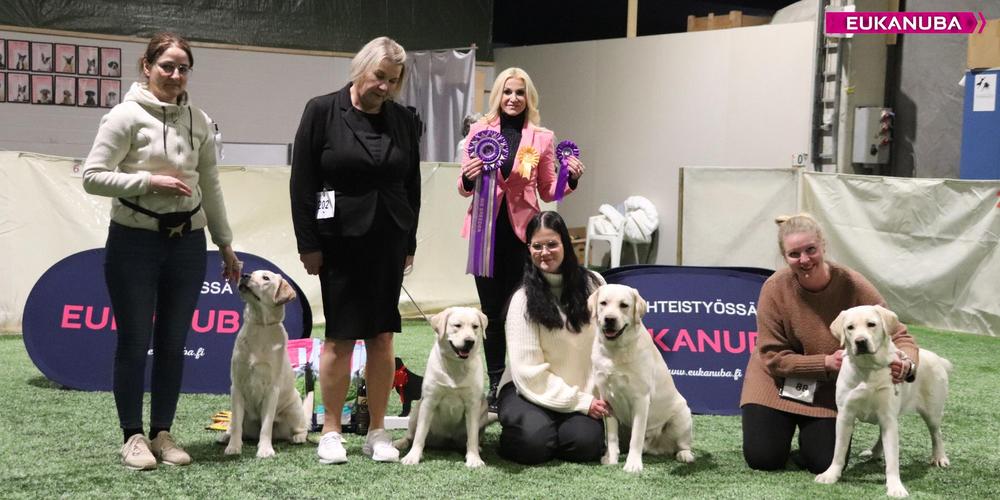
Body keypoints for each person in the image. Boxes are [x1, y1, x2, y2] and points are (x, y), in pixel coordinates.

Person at [82, 32, 241, 470]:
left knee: (173, 343)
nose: (174, 75)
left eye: (182, 68)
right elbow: (92, 176)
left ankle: (162, 433)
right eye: (166, 66)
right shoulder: (124, 116)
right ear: (147, 67)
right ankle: (132, 436)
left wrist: (225, 244)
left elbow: (210, 184)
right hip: (134, 241)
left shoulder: (198, 119)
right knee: (134, 341)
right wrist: (148, 181)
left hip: (188, 243)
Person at [290, 36, 420, 464]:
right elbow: (302, 183)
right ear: (360, 69)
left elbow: (411, 185)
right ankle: (330, 431)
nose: (385, 87)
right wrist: (308, 243)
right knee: (340, 336)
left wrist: (409, 241)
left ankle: (377, 431)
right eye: (379, 76)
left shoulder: (403, 120)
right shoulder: (321, 110)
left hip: (389, 237)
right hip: (339, 241)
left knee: (382, 335)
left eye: (393, 81)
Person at [740, 213, 920, 474]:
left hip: (827, 391)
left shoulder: (853, 284)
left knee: (824, 463)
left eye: (810, 250)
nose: (804, 260)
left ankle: (808, 444)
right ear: (785, 257)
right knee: (763, 458)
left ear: (823, 245)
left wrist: (907, 363)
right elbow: (772, 357)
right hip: (775, 382)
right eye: (794, 254)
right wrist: (825, 363)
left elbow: (901, 335)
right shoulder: (773, 288)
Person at [458, 67, 586, 410]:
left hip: (523, 236)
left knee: (522, 309)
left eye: (519, 93)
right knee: (491, 312)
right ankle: (495, 382)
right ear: (498, 95)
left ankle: (525, 380)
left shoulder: (541, 138)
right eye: (507, 92)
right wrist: (468, 179)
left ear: (528, 97)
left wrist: (570, 178)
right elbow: (463, 186)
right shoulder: (479, 132)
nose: (513, 98)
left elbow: (548, 189)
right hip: (484, 233)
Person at [497, 211, 610, 464]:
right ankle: (540, 430)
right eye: (537, 246)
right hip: (526, 390)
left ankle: (552, 430)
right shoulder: (522, 300)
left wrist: (586, 399)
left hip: (580, 391)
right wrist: (580, 402)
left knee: (585, 445)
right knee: (532, 445)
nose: (544, 252)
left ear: (565, 244)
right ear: (529, 249)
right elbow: (528, 373)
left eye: (551, 244)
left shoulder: (595, 284)